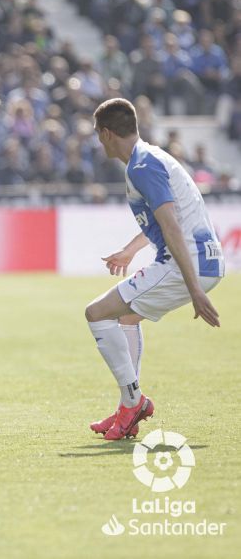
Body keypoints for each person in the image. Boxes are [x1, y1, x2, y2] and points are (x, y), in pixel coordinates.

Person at [85, 98, 223, 440]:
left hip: (184, 263)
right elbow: (162, 221)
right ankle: (126, 406)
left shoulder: (141, 167)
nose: (98, 142)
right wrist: (130, 250)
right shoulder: (150, 157)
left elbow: (172, 226)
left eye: (98, 135)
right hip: (202, 259)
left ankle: (133, 402)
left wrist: (194, 290)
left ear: (106, 133)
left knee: (97, 313)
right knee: (127, 318)